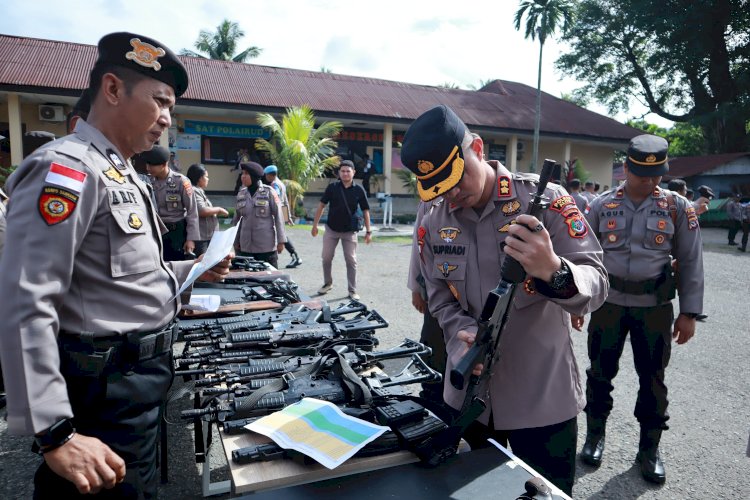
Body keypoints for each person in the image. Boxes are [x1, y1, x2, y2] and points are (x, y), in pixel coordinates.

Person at [0, 31, 232, 499]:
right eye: (160, 102)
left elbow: (125, 276)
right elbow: (24, 300)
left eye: (171, 107)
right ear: (112, 90)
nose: (167, 119)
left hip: (137, 388)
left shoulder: (121, 169)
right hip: (102, 393)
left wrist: (192, 270)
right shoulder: (67, 169)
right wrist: (55, 433)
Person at [401, 105, 608, 495]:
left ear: (476, 147)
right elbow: (439, 295)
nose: (451, 193)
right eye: (438, 186)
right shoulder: (433, 218)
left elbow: (596, 283)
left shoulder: (545, 201)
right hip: (469, 401)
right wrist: (460, 330)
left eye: (455, 177)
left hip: (541, 400)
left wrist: (554, 269)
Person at [577, 134, 704, 485]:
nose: (649, 181)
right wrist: (578, 301)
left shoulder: (677, 206)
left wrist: (689, 313)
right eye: (641, 174)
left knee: (653, 380)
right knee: (599, 374)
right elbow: (584, 256)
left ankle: (649, 449)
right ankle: (594, 437)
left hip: (655, 308)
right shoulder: (601, 205)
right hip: (607, 304)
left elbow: (691, 260)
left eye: (656, 175)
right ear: (626, 169)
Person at [311, 160, 372, 300]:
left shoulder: (359, 189)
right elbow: (321, 206)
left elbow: (366, 210)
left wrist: (368, 232)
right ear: (339, 173)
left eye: (348, 171)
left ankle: (352, 290)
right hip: (331, 229)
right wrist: (315, 225)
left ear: (353, 172)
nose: (345, 173)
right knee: (326, 257)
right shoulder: (332, 187)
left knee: (351, 260)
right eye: (342, 171)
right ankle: (327, 283)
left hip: (350, 231)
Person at [407, 198, 447, 405]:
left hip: (480, 298)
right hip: (438, 292)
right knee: (433, 350)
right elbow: (418, 246)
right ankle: (433, 405)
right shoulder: (431, 200)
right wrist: (416, 288)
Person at [143, 144, 200, 261]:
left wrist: (191, 239)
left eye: (152, 165)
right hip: (155, 232)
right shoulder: (147, 181)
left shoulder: (181, 181)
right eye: (147, 164)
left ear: (164, 164)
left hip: (177, 234)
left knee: (178, 268)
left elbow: (192, 212)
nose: (148, 168)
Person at [233, 161, 286, 268]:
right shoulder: (241, 194)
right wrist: (235, 240)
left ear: (254, 176)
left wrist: (281, 241)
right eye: (242, 173)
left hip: (265, 246)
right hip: (245, 247)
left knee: (270, 278)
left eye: (246, 174)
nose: (243, 177)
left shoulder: (269, 192)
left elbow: (279, 217)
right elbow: (237, 220)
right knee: (246, 279)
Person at [264, 165, 302, 268]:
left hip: (276, 214)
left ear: (270, 175)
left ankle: (294, 256)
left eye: (266, 175)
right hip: (281, 213)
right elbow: (285, 201)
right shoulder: (281, 183)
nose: (265, 177)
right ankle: (295, 256)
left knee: (279, 236)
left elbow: (277, 201)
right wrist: (287, 216)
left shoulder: (275, 185)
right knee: (281, 235)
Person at [186, 163, 228, 256]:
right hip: (201, 237)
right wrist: (218, 209)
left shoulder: (199, 190)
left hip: (206, 236)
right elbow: (202, 211)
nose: (208, 179)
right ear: (200, 178)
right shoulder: (194, 190)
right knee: (202, 264)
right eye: (206, 177)